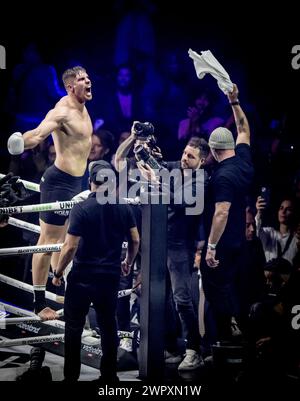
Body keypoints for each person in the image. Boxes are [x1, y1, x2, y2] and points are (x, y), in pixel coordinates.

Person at [7, 66, 93, 319]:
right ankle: (39, 303)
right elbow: (39, 133)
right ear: (70, 87)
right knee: (47, 243)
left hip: (77, 183)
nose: (88, 81)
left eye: (88, 77)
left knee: (68, 243)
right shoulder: (62, 111)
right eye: (82, 79)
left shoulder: (82, 105)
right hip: (59, 184)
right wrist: (22, 141)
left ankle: (61, 288)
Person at [52, 160, 140, 382]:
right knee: (109, 325)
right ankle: (109, 377)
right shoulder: (123, 207)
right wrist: (128, 261)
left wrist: (58, 272)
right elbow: (135, 239)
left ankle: (71, 377)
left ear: (90, 182)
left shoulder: (82, 208)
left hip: (82, 276)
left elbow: (70, 246)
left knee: (73, 327)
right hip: (109, 276)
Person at [137, 136, 210, 370]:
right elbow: (153, 166)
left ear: (203, 160)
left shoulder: (202, 179)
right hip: (159, 241)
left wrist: (158, 183)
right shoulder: (173, 167)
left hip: (180, 245)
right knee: (161, 298)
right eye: (184, 153)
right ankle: (170, 347)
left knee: (182, 299)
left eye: (191, 156)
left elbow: (182, 200)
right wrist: (145, 156)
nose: (185, 159)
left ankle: (193, 350)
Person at [200, 84, 254, 343]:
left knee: (216, 290)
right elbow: (244, 128)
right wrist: (234, 102)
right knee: (231, 287)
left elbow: (222, 211)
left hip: (222, 243)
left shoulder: (222, 176)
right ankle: (228, 335)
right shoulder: (243, 160)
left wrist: (210, 246)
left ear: (212, 150)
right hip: (239, 242)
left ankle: (227, 334)